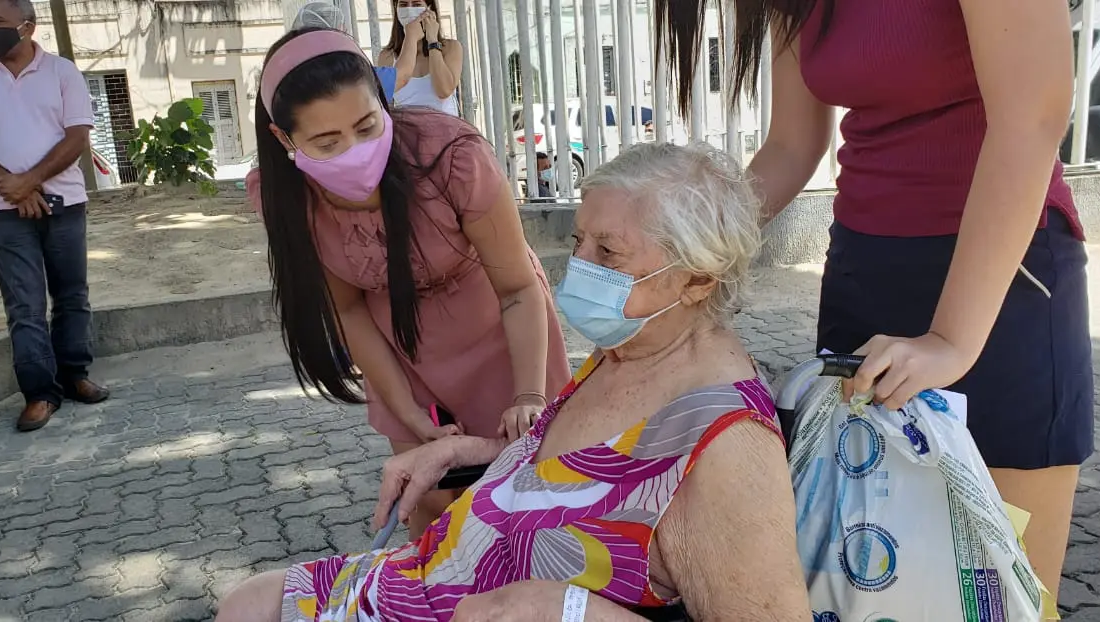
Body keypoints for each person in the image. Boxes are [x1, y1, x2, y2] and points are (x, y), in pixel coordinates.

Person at [217, 140, 809, 622]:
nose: (579, 267)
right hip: (424, 580)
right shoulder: (629, 348)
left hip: (453, 605)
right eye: (579, 241)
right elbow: (575, 472)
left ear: (698, 280)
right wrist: (467, 451)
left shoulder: (726, 443)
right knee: (248, 604)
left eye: (609, 253)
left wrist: (566, 610)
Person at [658, 0, 1086, 613]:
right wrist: (686, 256)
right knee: (854, 580)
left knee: (1005, 594)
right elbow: (792, 143)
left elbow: (1033, 114)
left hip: (999, 278)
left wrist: (951, 340)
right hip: (864, 269)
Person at [243, 27, 570, 537]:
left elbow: (518, 289)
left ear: (383, 99)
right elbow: (349, 310)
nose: (355, 150)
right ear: (284, 140)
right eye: (327, 142)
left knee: (528, 493)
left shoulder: (453, 156)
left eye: (367, 125)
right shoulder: (285, 197)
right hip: (401, 351)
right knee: (433, 505)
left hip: (502, 334)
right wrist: (410, 414)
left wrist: (528, 394)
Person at [0, 0, 110, 432]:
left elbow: (77, 137)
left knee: (71, 295)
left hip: (64, 201)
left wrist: (30, 180)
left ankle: (74, 376)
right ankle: (39, 393)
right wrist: (12, 186)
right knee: (24, 304)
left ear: (28, 27)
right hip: (2, 209)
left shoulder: (62, 72)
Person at [377, 0, 463, 116]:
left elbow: (444, 91)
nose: (409, 10)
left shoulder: (450, 48)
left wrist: (432, 41)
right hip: (408, 126)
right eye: (403, 5)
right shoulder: (387, 56)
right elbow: (383, 104)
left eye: (416, 4)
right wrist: (410, 38)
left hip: (445, 125)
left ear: (430, 9)